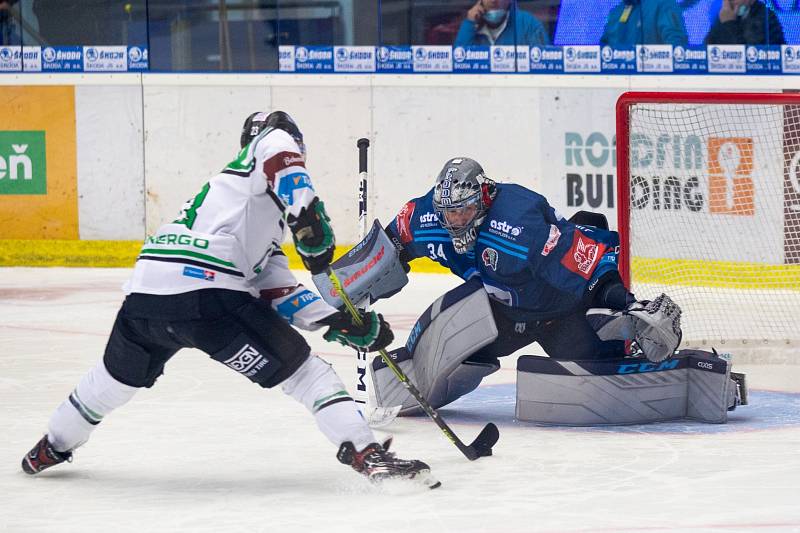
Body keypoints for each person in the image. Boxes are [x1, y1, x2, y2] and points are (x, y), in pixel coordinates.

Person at [20, 111, 439, 489]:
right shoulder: (267, 148)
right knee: (309, 377)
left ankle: (51, 446)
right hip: (207, 296)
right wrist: (307, 217)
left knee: (110, 382)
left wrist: (340, 322)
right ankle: (368, 456)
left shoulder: (244, 215)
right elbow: (275, 142)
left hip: (146, 297)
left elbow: (279, 293)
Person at [346, 157, 682, 413]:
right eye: (449, 214)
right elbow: (391, 245)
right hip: (501, 315)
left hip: (557, 310)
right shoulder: (425, 217)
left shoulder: (518, 225)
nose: (456, 222)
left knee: (592, 367)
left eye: (464, 212)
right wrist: (356, 286)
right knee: (458, 331)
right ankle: (413, 368)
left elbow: (583, 263)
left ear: (484, 199)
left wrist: (624, 300)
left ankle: (624, 337)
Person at [454, 0, 550, 47]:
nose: (494, 1)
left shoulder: (528, 23)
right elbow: (459, 63)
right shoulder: (471, 25)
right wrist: (469, 24)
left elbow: (544, 62)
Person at [600, 0, 688, 47]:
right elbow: (603, 50)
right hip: (616, 78)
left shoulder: (664, 4)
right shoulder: (616, 12)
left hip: (654, 78)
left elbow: (677, 47)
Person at [704, 0, 785, 46]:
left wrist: (729, 23)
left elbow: (747, 55)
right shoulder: (726, 13)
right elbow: (708, 46)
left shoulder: (765, 16)